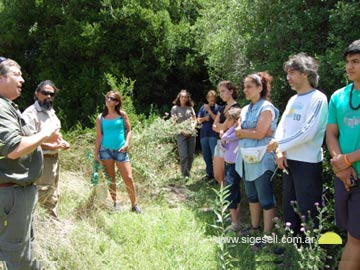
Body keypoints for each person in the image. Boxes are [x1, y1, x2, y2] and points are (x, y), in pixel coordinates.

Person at [0, 57, 60, 269]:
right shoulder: (1, 107)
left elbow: (19, 140)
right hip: (12, 193)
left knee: (22, 250)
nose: (22, 79)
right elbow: (15, 149)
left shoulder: (8, 106)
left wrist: (44, 137)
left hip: (18, 192)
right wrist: (44, 133)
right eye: (16, 74)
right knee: (17, 256)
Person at [267, 53, 328, 236]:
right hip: (288, 161)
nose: (288, 78)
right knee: (289, 209)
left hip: (308, 163)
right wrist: (279, 151)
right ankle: (290, 251)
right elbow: (282, 126)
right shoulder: (293, 100)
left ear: (305, 73)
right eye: (287, 73)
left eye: (292, 72)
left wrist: (279, 144)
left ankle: (308, 254)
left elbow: (308, 132)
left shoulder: (318, 98)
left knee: (308, 211)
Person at [326, 40, 360, 269]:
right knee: (352, 234)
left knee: (356, 239)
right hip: (345, 178)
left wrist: (347, 160)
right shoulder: (338, 96)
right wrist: (341, 166)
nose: (349, 67)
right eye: (348, 62)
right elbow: (331, 133)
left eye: (356, 62)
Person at [235, 72, 278, 238]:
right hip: (246, 159)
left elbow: (259, 134)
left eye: (249, 87)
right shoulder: (245, 109)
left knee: (266, 199)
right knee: (252, 197)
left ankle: (267, 235)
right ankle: (254, 228)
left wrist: (248, 132)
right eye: (244, 87)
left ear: (260, 88)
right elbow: (239, 131)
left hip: (262, 159)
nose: (245, 90)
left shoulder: (266, 108)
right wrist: (253, 132)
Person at [22, 80, 70, 218]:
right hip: (39, 158)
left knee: (53, 191)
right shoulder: (30, 114)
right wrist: (51, 146)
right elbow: (27, 141)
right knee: (43, 192)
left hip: (54, 159)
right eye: (45, 93)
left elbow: (55, 134)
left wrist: (62, 142)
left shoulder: (51, 112)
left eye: (51, 94)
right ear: (37, 93)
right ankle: (43, 223)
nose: (48, 97)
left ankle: (52, 220)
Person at [94, 90, 142, 213]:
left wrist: (126, 144)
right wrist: (96, 154)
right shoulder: (100, 117)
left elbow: (129, 130)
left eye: (111, 98)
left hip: (121, 150)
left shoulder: (122, 115)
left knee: (128, 177)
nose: (108, 100)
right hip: (106, 150)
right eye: (107, 98)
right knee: (111, 178)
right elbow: (99, 136)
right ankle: (116, 204)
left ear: (116, 102)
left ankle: (134, 205)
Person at [212, 81, 240, 185]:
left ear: (231, 91)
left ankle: (229, 200)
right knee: (218, 175)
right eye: (220, 92)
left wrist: (220, 127)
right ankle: (223, 199)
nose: (221, 94)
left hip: (229, 145)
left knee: (228, 177)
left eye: (223, 91)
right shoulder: (221, 108)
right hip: (219, 142)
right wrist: (221, 128)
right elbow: (214, 126)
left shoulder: (236, 108)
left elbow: (224, 126)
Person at [221, 107, 242, 231]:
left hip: (235, 164)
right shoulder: (230, 130)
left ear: (234, 121)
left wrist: (224, 138)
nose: (226, 122)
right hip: (229, 163)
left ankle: (235, 223)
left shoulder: (237, 132)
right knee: (233, 191)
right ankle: (235, 217)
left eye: (228, 119)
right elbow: (224, 138)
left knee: (231, 191)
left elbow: (227, 138)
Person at [170, 89, 197, 178]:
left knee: (190, 155)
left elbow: (194, 120)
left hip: (191, 133)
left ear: (187, 98)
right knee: (183, 155)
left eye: (185, 97)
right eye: (182, 97)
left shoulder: (190, 108)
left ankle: (187, 172)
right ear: (179, 97)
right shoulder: (175, 108)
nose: (184, 98)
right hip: (181, 134)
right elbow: (174, 123)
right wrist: (183, 131)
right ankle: (184, 174)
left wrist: (192, 128)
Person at [197, 90, 221, 181]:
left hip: (213, 134)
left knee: (214, 155)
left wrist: (210, 111)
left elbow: (217, 119)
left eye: (214, 100)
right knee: (206, 155)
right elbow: (198, 120)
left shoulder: (218, 108)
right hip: (204, 134)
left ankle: (217, 176)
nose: (212, 102)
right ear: (207, 99)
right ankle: (209, 174)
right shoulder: (202, 108)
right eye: (211, 100)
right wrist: (205, 118)